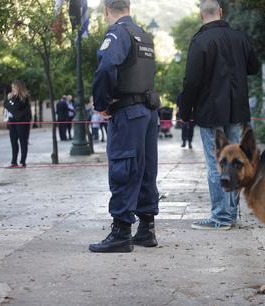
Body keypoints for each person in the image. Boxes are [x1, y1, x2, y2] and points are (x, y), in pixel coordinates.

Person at [180, 0, 259, 230]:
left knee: (217, 163)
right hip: (236, 110)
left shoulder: (200, 41)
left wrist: (184, 111)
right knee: (234, 161)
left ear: (201, 15)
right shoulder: (240, 38)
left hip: (210, 111)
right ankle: (231, 213)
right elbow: (253, 67)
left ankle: (221, 217)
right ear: (221, 12)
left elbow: (191, 81)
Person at [89, 0, 159, 253]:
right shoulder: (144, 35)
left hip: (128, 112)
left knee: (124, 167)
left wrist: (101, 103)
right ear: (128, 7)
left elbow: (107, 66)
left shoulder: (118, 32)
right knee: (146, 169)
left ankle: (121, 232)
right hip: (148, 111)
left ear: (107, 10)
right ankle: (146, 229)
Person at [3, 80, 32, 168]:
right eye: (12, 87)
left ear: (18, 87)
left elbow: (16, 107)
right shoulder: (12, 97)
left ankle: (23, 162)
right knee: (13, 142)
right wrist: (9, 101)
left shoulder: (24, 97)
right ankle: (14, 162)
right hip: (12, 121)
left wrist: (10, 104)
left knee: (23, 142)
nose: (12, 89)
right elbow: (5, 104)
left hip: (22, 122)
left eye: (14, 87)